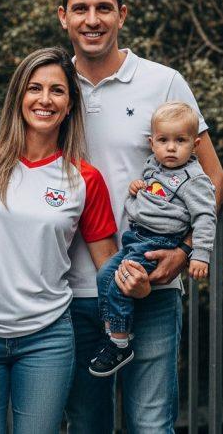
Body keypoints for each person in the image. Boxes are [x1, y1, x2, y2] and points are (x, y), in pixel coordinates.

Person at [58, 0, 223, 433]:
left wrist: (185, 250)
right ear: (63, 17)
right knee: (87, 423)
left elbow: (212, 175)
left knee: (151, 425)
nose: (93, 19)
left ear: (122, 14)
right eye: (81, 8)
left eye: (104, 8)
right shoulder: (50, 87)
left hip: (152, 283)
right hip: (67, 290)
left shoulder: (163, 82)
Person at [0, 47, 118, 433]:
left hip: (47, 338)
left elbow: (110, 266)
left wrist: (144, 276)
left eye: (57, 91)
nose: (44, 99)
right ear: (19, 96)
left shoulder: (85, 179)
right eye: (34, 88)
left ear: (69, 105)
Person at [90, 102, 216, 377]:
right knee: (104, 277)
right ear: (152, 142)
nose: (171, 148)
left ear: (195, 144)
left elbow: (206, 217)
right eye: (164, 140)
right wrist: (137, 186)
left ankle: (120, 343)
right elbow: (152, 190)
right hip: (134, 238)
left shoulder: (194, 179)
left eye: (180, 141)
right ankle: (114, 332)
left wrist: (199, 255)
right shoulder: (153, 165)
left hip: (158, 243)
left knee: (118, 285)